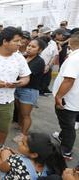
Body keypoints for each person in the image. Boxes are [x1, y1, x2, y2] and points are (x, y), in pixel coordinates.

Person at [52, 31, 79, 160]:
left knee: (68, 126)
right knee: (69, 123)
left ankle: (66, 151)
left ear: (71, 41)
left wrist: (59, 96)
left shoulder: (75, 58)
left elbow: (69, 80)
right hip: (75, 98)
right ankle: (61, 136)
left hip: (69, 99)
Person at [13, 39, 46, 143]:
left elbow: (25, 75)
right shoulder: (24, 57)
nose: (29, 48)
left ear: (39, 50)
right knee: (20, 112)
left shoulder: (39, 61)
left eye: (33, 47)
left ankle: (24, 135)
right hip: (19, 88)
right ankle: (20, 126)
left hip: (29, 91)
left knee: (26, 115)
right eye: (29, 45)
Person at [0, 133, 67, 179]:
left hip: (10, 172)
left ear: (34, 154)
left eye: (23, 144)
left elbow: (1, 167)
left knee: (5, 152)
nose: (19, 143)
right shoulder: (49, 164)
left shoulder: (16, 160)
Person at [38, 27, 59, 96]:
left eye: (49, 33)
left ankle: (45, 89)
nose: (48, 35)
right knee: (38, 79)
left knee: (47, 78)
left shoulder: (53, 43)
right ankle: (40, 91)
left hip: (48, 65)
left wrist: (48, 65)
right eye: (46, 33)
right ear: (40, 34)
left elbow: (55, 55)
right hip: (38, 65)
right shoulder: (36, 42)